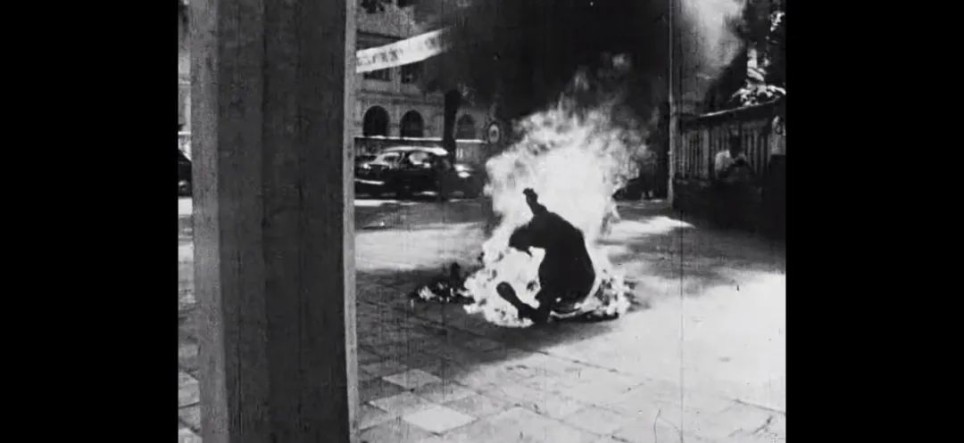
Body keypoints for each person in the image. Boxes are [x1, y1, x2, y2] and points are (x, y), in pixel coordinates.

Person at [495, 188, 596, 324]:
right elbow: (541, 214)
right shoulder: (551, 226)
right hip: (583, 276)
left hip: (577, 288)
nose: (531, 249)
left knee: (547, 276)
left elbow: (541, 317)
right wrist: (532, 203)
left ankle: (559, 302)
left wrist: (517, 303)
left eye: (528, 246)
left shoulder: (555, 262)